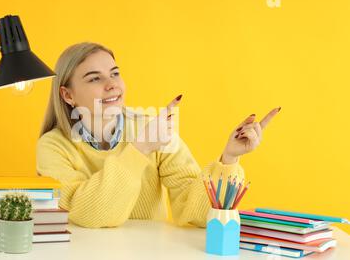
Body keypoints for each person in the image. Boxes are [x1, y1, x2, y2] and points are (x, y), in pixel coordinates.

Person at [36, 42, 280, 228]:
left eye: (115, 73)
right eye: (95, 78)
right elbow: (88, 214)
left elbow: (196, 213)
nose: (112, 84)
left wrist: (229, 159)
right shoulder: (53, 147)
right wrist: (140, 149)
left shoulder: (154, 131)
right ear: (68, 95)